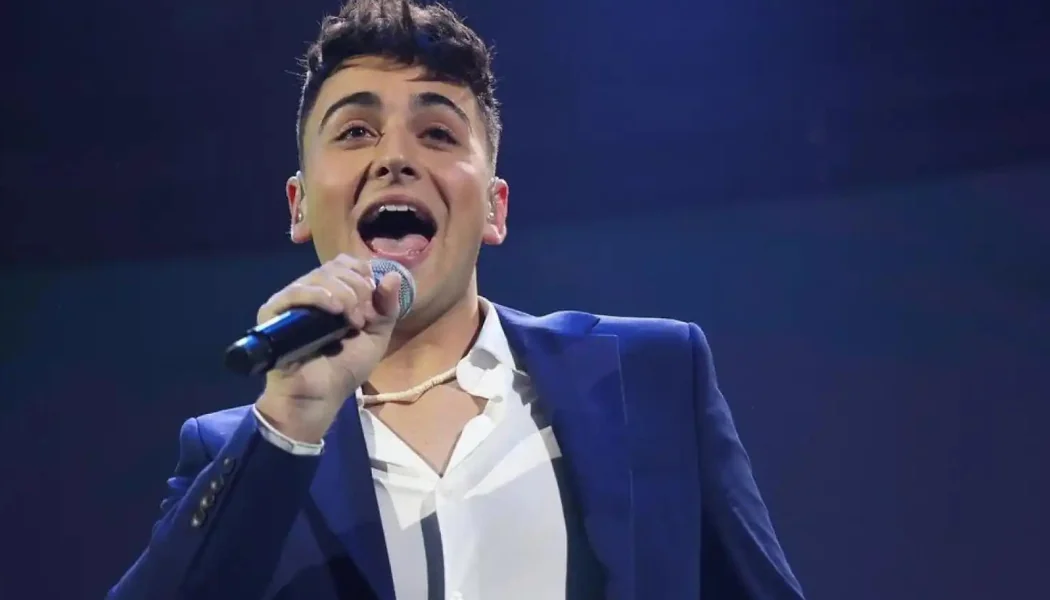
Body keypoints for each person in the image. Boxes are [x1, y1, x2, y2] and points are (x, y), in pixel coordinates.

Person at [108, 1, 805, 598]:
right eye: (355, 132)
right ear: (299, 206)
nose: (395, 157)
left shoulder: (652, 375)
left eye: (438, 134)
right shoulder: (239, 452)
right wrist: (288, 422)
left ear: (495, 209)